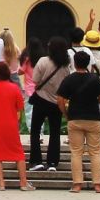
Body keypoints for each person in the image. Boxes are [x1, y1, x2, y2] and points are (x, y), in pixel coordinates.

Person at [58, 49, 100, 192]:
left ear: (74, 63)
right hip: (93, 118)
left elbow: (60, 100)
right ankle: (97, 185)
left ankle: (77, 184)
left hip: (75, 118)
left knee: (76, 152)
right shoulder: (95, 79)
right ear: (88, 63)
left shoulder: (69, 79)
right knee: (95, 152)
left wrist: (66, 114)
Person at [0, 61, 29, 191]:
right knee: (18, 154)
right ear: (8, 73)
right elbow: (20, 107)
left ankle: (1, 183)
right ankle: (23, 183)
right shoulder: (14, 88)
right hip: (11, 124)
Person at [28, 38, 70, 172]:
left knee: (35, 131)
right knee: (55, 132)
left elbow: (35, 80)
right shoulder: (65, 65)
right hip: (56, 101)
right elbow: (66, 84)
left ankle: (36, 161)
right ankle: (52, 162)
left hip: (41, 99)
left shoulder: (43, 61)